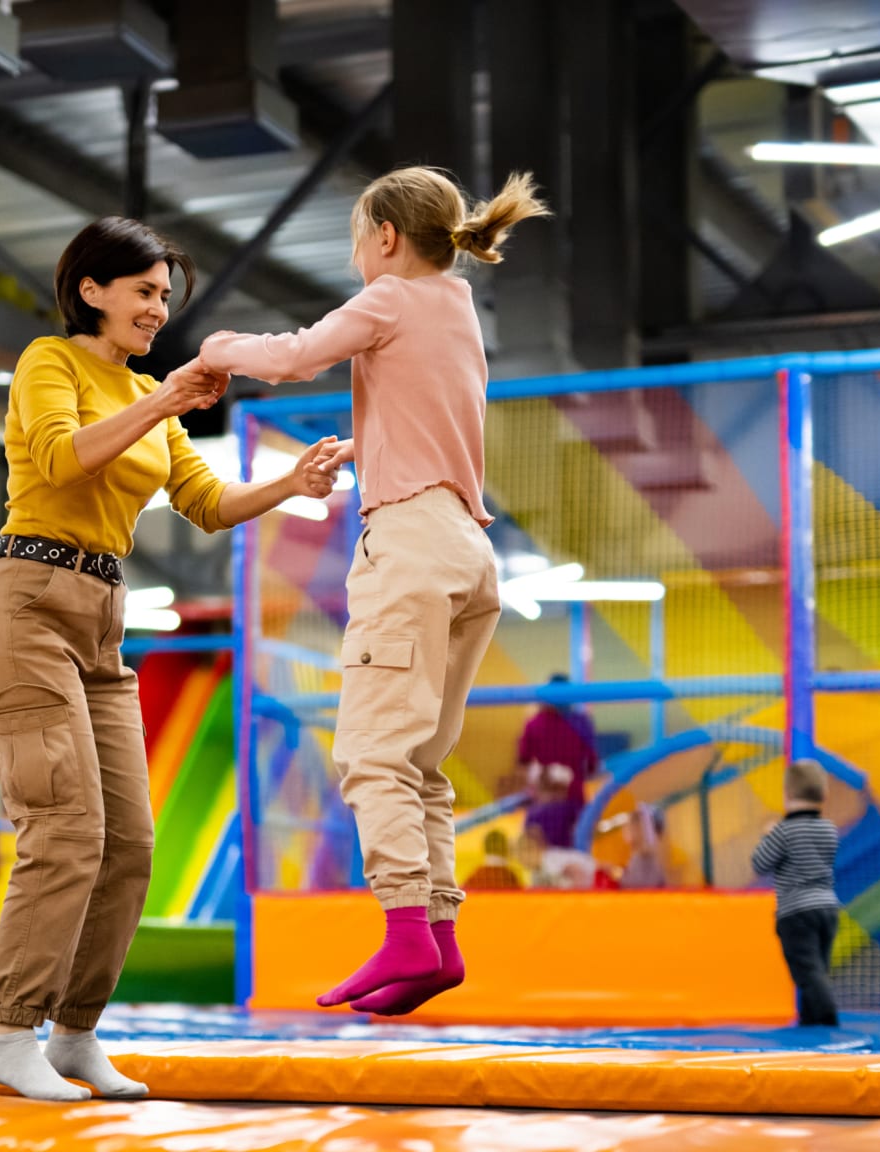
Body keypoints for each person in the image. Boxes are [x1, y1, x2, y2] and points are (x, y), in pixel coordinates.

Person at [0, 217, 343, 1101]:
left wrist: (291, 485)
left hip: (103, 616)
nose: (157, 308)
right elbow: (60, 461)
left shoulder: (151, 397)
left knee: (129, 843)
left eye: (165, 296)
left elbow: (206, 504)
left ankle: (75, 1033)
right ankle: (10, 1033)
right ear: (92, 290)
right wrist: (163, 399)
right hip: (28, 600)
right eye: (144, 292)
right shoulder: (49, 363)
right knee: (64, 829)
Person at [200, 167, 550, 1016]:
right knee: (420, 761)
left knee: (369, 755)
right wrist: (356, 451)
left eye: (359, 239)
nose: (360, 256)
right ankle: (436, 941)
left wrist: (218, 349)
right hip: (468, 550)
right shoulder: (457, 307)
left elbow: (290, 358)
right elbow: (428, 412)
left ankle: (402, 932)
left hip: (412, 545)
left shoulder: (392, 297)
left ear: (385, 238)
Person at [750, 758, 841, 1028]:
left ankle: (825, 1017)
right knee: (817, 969)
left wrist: (767, 835)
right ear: (824, 795)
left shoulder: (784, 831)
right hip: (827, 907)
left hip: (796, 911)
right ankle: (812, 1021)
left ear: (787, 795)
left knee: (808, 972)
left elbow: (760, 863)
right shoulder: (828, 829)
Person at [515, 673, 601, 851]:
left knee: (541, 857)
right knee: (576, 852)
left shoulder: (534, 724)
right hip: (574, 800)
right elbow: (592, 765)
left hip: (543, 800)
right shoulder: (581, 722)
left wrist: (542, 782)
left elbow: (522, 762)